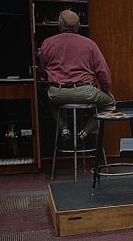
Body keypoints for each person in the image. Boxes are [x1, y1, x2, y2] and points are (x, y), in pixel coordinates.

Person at [39, 9, 115, 144]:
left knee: (49, 102)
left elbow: (43, 71)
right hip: (85, 92)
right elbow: (103, 72)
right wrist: (106, 89)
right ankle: (84, 132)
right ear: (78, 26)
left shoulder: (47, 43)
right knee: (110, 104)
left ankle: (64, 129)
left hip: (57, 92)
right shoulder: (89, 44)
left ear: (59, 25)